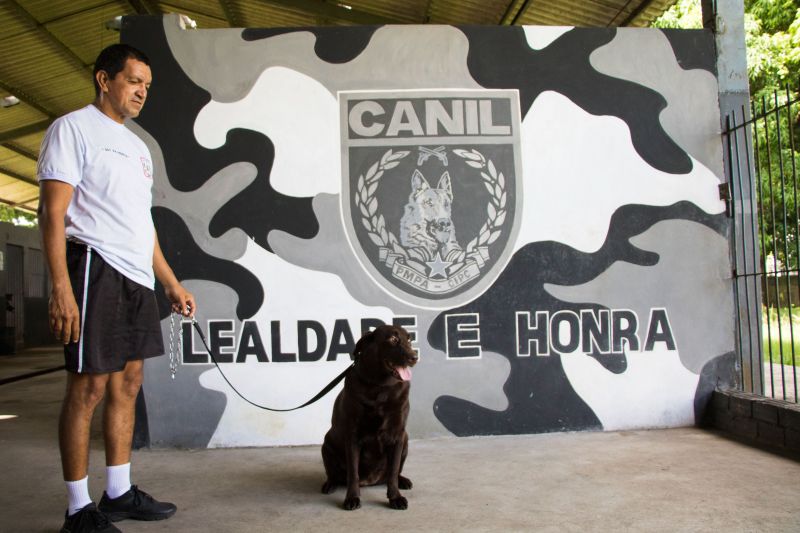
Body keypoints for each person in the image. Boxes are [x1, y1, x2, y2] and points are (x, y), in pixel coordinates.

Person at [37, 43, 196, 533]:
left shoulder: (136, 146)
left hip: (135, 275)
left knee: (129, 384)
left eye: (147, 86)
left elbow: (140, 222)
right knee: (88, 388)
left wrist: (168, 281)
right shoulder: (72, 128)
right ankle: (77, 508)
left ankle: (119, 492)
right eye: (133, 82)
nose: (142, 92)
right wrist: (62, 287)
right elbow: (53, 212)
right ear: (104, 80)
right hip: (93, 269)